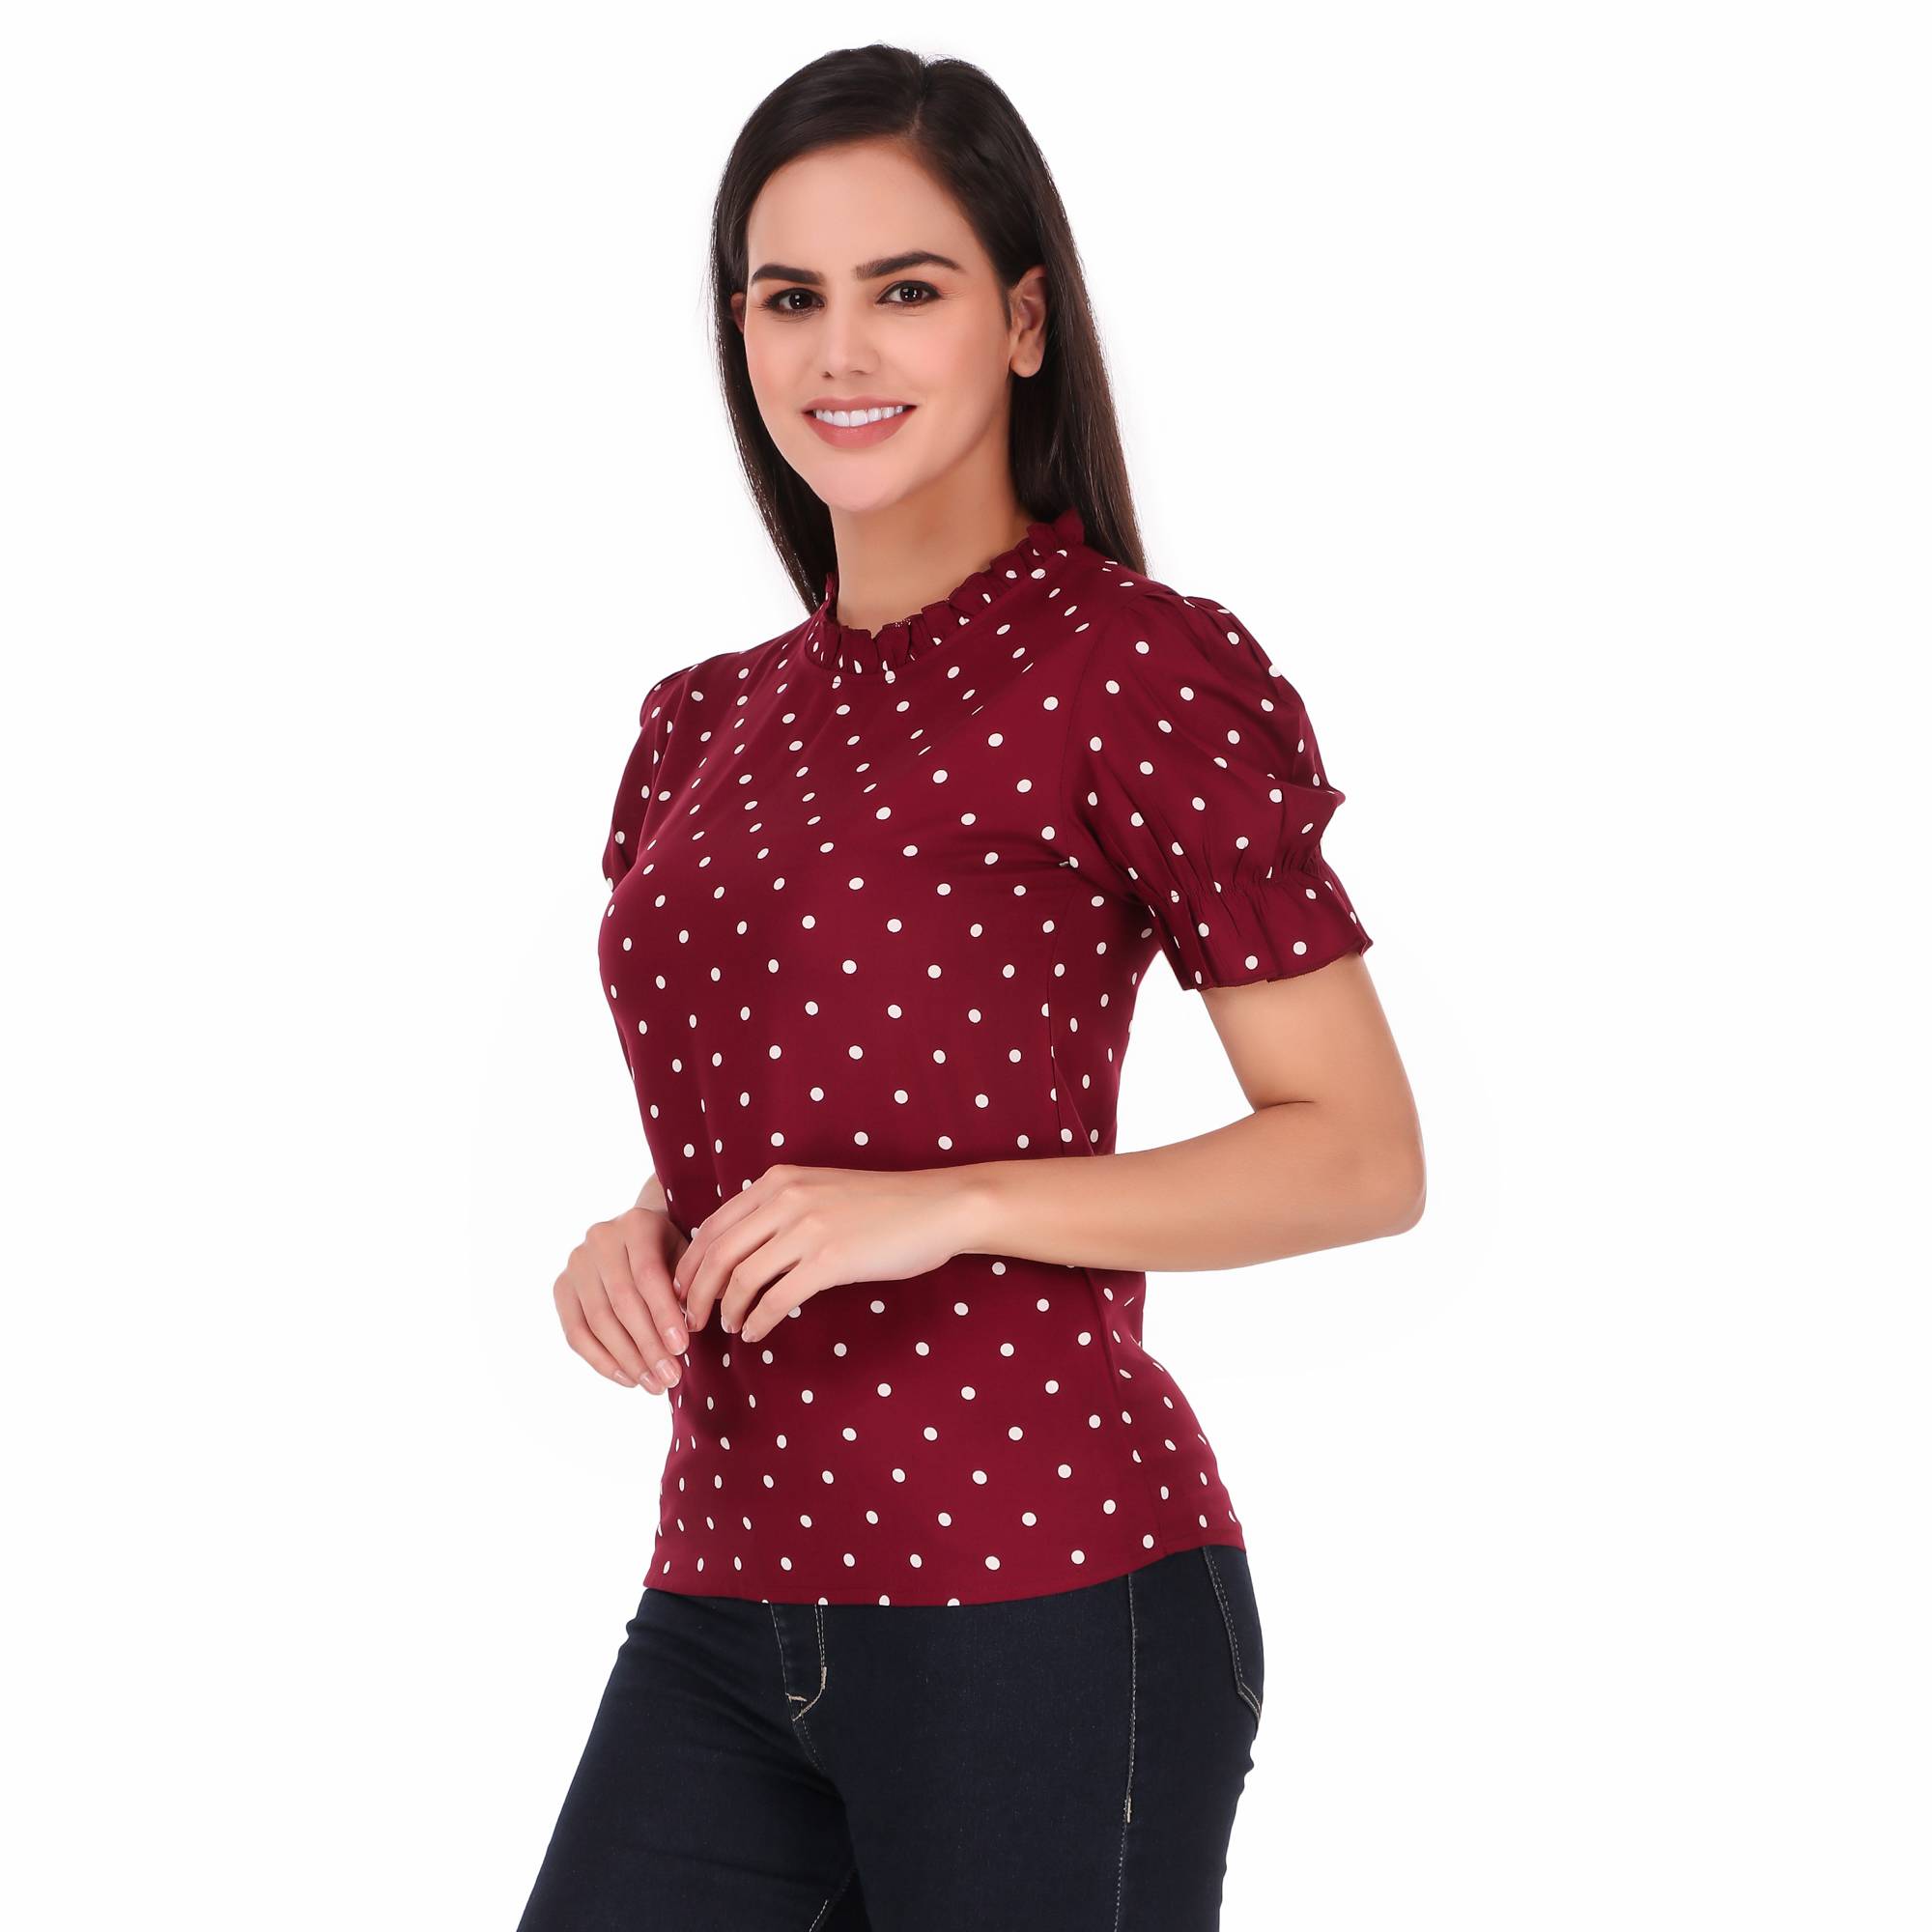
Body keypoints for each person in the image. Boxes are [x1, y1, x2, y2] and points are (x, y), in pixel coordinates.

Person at [519, 43, 1425, 1932]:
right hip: (725, 1596)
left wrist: (945, 1208)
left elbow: (1356, 1153)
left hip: (1045, 1590)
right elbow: (812, 1095)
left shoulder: (1131, 670)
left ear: (1020, 321)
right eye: (788, 298)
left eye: (905, 288)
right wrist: (649, 1222)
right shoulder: (701, 724)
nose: (839, 350)